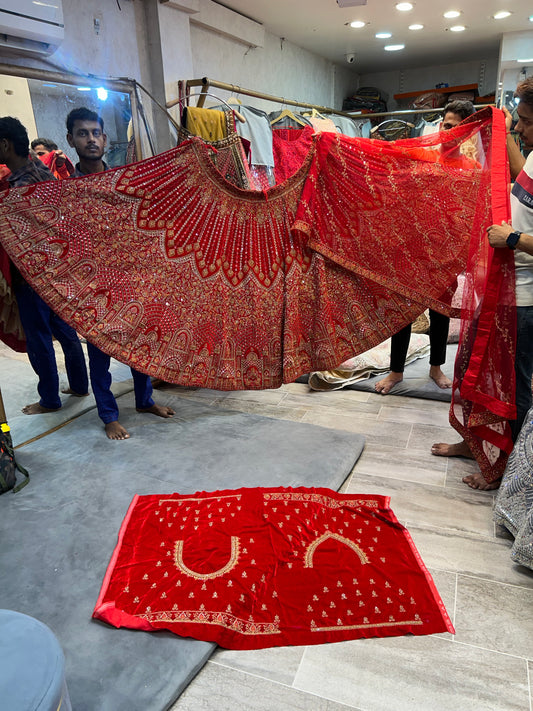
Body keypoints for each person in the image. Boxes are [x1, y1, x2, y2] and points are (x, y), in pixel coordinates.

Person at [432, 78, 533, 490]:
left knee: (511, 386)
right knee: (473, 367)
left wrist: (510, 239)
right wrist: (500, 124)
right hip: (499, 287)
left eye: (526, 122)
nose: (520, 130)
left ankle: (507, 470)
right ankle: (473, 442)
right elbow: (514, 173)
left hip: (524, 298)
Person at [65, 107, 175, 440]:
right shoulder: (65, 193)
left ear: (105, 137)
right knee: (99, 356)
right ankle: (109, 415)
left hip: (128, 282)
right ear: (71, 139)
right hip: (91, 287)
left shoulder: (121, 185)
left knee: (139, 347)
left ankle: (145, 401)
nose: (91, 139)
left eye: (96, 132)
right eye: (82, 133)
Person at [375, 100, 477, 395]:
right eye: (446, 124)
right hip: (411, 249)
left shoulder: (470, 169)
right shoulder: (420, 156)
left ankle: (435, 368)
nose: (450, 131)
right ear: (440, 125)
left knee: (440, 313)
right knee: (403, 311)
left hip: (444, 254)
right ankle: (396, 371)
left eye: (458, 127)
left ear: (467, 133)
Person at [0, 116, 89, 414]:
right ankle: (79, 384)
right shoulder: (42, 172)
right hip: (56, 269)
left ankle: (50, 399)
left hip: (31, 275)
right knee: (63, 329)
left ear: (5, 145)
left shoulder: (17, 187)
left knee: (39, 337)